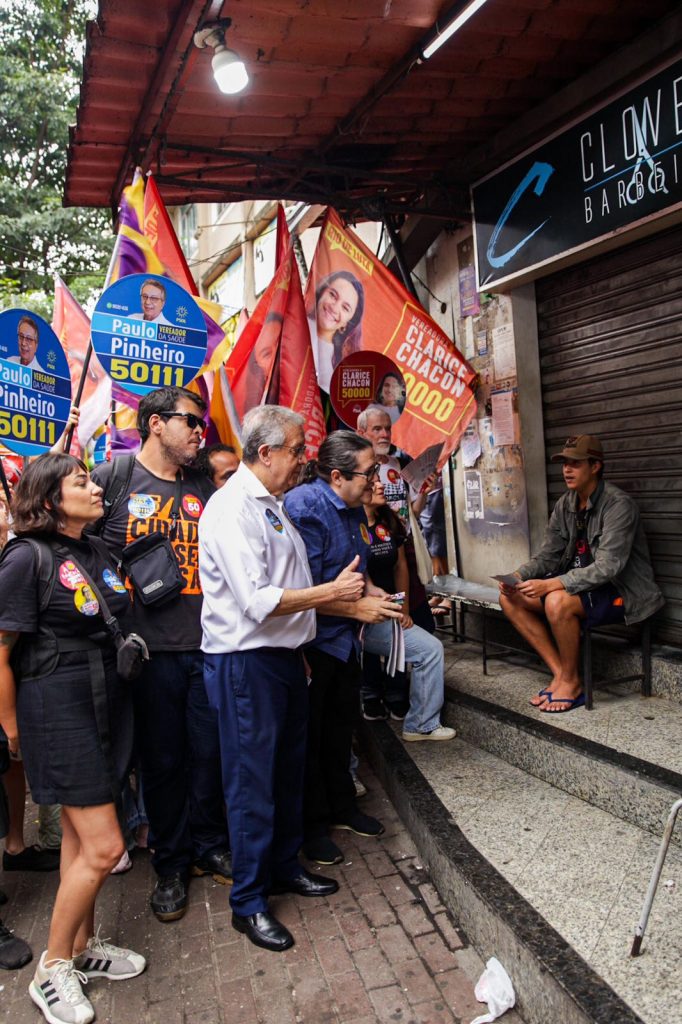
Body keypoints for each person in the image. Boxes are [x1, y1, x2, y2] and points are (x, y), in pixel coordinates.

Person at [199, 406, 367, 952]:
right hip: (247, 664)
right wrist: (332, 596)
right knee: (252, 784)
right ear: (265, 452)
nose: (304, 460)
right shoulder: (230, 510)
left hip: (285, 659)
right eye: (297, 450)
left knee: (287, 772)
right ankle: (247, 903)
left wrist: (305, 637)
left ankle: (284, 864)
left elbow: (288, 584)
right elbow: (257, 601)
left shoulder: (271, 505)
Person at [0, 453, 145, 1024]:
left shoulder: (94, 549)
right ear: (49, 498)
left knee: (80, 842)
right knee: (107, 848)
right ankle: (52, 968)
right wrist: (10, 726)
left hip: (104, 700)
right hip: (56, 709)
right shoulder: (24, 557)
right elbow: (2, 649)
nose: (94, 487)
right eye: (81, 481)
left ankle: (84, 949)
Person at [91, 386, 231, 922]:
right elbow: (82, 550)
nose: (200, 431)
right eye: (192, 422)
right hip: (150, 655)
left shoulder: (203, 484)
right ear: (155, 423)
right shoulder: (115, 479)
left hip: (209, 645)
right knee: (163, 762)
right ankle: (171, 864)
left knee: (209, 751)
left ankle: (209, 843)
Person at [285, 431, 402, 866]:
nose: (376, 480)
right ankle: (312, 825)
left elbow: (360, 566)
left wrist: (377, 594)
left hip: (344, 642)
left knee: (340, 729)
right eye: (369, 472)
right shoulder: (305, 508)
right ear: (336, 476)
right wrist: (359, 611)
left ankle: (343, 808)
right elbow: (307, 590)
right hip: (313, 641)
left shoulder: (354, 509)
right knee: (311, 737)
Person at [499, 435, 665, 713]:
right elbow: (549, 554)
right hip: (579, 588)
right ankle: (564, 675)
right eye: (564, 463)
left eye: (575, 463)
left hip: (621, 591)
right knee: (510, 599)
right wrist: (518, 575)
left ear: (595, 466)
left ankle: (570, 681)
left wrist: (551, 584)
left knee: (556, 600)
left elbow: (609, 567)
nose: (566, 470)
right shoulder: (566, 504)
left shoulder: (618, 505)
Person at [360, 479, 455, 741]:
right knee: (429, 650)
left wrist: (402, 608)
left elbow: (401, 566)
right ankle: (418, 722)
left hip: (390, 611)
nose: (381, 486)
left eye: (380, 481)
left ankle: (419, 722)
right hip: (358, 618)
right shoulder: (347, 526)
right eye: (373, 482)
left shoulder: (390, 521)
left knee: (429, 648)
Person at [308, 271, 364, 391]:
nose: (334, 307)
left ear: (347, 323)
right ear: (322, 292)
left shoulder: (337, 372)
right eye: (333, 295)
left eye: (345, 308)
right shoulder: (293, 319)